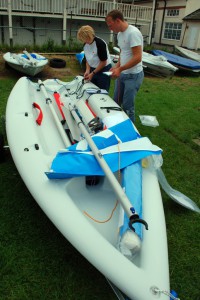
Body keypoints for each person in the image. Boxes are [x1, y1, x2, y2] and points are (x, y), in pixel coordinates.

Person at [105, 10, 144, 122]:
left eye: (110, 25)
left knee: (128, 106)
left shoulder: (133, 33)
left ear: (118, 21)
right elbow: (123, 53)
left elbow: (138, 57)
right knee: (116, 101)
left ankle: (131, 133)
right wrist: (117, 66)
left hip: (133, 76)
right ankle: (116, 123)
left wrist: (120, 69)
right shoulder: (120, 35)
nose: (110, 29)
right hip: (123, 74)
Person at [77, 25, 112, 92]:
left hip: (103, 70)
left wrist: (93, 73)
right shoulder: (85, 45)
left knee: (102, 92)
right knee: (91, 90)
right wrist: (87, 70)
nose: (84, 41)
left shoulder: (100, 44)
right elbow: (88, 58)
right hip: (93, 70)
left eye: (84, 38)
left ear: (89, 36)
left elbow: (103, 62)